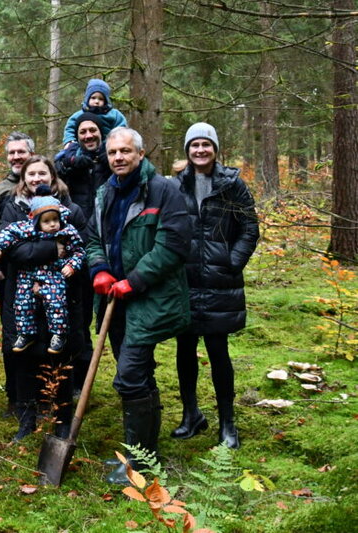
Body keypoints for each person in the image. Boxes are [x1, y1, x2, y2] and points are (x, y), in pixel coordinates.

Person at [88, 127, 191, 485]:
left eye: (125, 151)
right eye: (113, 152)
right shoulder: (105, 193)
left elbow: (174, 244)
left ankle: (137, 459)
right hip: (114, 301)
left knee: (130, 377)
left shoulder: (164, 190)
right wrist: (99, 268)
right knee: (138, 375)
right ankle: (148, 449)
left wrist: (136, 280)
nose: (118, 157)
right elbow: (92, 238)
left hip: (149, 300)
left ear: (141, 154)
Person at [172, 123, 260, 449]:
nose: (200, 150)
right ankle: (190, 414)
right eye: (194, 145)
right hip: (185, 282)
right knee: (185, 351)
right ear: (187, 150)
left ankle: (227, 423)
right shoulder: (175, 186)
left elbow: (249, 228)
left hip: (219, 282)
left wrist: (231, 261)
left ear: (215, 149)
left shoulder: (232, 185)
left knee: (218, 352)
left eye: (205, 145)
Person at [0, 155, 87, 441]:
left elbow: (80, 248)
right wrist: (51, 250)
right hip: (22, 296)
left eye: (42, 173)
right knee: (24, 358)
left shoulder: (71, 209)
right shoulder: (12, 208)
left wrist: (58, 256)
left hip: (63, 296)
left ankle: (61, 421)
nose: (36, 178)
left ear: (52, 176)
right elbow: (13, 251)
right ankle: (27, 420)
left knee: (60, 357)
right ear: (23, 179)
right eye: (31, 174)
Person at [55, 113, 112, 396]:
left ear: (101, 132)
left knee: (112, 318)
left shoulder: (112, 158)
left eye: (93, 130)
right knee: (78, 319)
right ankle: (79, 382)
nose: (88, 135)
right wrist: (69, 161)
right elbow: (53, 174)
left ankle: (128, 375)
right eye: (83, 131)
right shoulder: (69, 161)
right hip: (79, 250)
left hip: (110, 248)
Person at [0, 186, 84, 355]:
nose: (53, 224)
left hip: (54, 273)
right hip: (28, 273)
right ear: (37, 221)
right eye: (47, 221)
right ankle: (26, 333)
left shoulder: (67, 231)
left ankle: (59, 334)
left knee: (56, 302)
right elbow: (8, 232)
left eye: (55, 219)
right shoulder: (27, 228)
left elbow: (78, 251)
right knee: (22, 302)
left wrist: (71, 265)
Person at [61, 78, 128, 147]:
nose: (96, 101)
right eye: (93, 98)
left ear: (106, 101)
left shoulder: (114, 114)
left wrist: (117, 141)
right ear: (87, 98)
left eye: (101, 99)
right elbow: (70, 128)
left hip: (109, 146)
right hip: (85, 146)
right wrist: (70, 141)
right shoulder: (79, 115)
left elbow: (121, 129)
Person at [0, 132, 35, 226]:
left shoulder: (44, 183)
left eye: (21, 152)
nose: (16, 157)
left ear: (32, 155)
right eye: (11, 153)